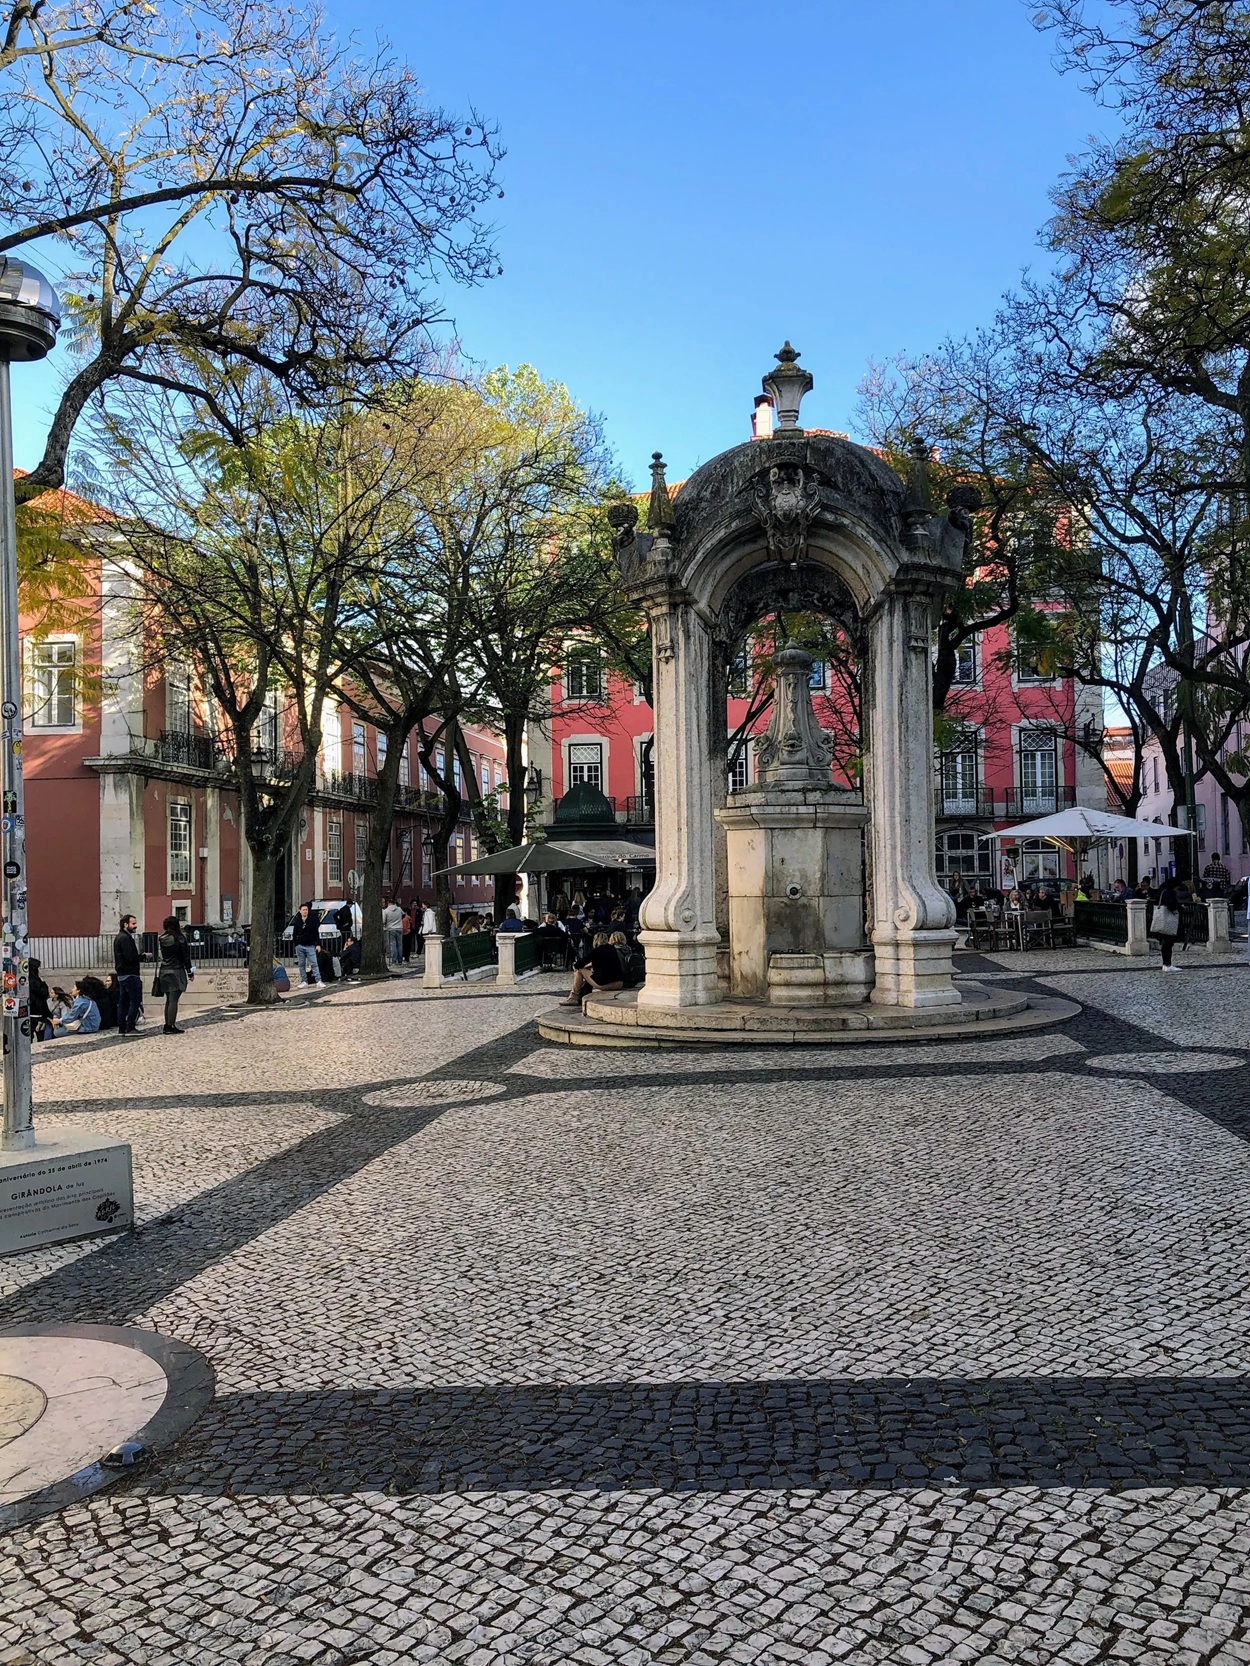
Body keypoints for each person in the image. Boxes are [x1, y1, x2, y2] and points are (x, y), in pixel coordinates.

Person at [559, 930, 624, 1007]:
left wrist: (582, 968)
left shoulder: (596, 952)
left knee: (579, 971)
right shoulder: (612, 949)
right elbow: (604, 962)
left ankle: (574, 997)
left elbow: (578, 965)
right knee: (589, 971)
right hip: (619, 983)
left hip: (606, 984)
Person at [157, 914, 195, 1032]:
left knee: (169, 999)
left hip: (164, 970)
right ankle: (170, 1025)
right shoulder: (180, 938)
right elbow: (185, 957)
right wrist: (190, 972)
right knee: (174, 1000)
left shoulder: (162, 938)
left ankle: (167, 1024)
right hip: (176, 970)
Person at [113, 912, 147, 1036]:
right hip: (130, 974)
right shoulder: (125, 938)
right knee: (135, 1001)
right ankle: (130, 1027)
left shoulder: (120, 937)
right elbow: (130, 957)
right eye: (133, 924)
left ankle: (122, 1028)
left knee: (123, 1002)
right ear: (125, 924)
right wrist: (143, 956)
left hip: (122, 975)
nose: (135, 926)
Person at [1150, 878, 1183, 971]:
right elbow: (1171, 905)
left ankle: (1166, 964)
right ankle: (1167, 964)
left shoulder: (1161, 891)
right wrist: (1180, 908)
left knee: (1166, 943)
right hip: (1167, 921)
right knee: (1168, 943)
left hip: (1161, 921)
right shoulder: (1167, 893)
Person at [288, 902, 323, 987]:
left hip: (310, 945)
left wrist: (318, 944)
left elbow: (316, 933)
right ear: (300, 911)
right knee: (301, 964)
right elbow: (294, 933)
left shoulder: (312, 921)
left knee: (314, 963)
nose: (305, 911)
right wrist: (296, 943)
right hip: (300, 945)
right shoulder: (297, 921)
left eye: (306, 910)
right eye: (303, 910)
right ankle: (304, 981)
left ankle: (318, 980)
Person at [28, 958, 54, 1041]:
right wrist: (43, 983)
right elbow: (43, 993)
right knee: (40, 1035)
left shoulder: (26, 979)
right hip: (37, 1011)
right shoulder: (34, 980)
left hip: (31, 1011)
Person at [382, 897, 404, 965]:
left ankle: (394, 960)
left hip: (390, 929)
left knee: (392, 945)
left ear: (388, 903)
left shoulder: (386, 911)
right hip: (399, 928)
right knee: (399, 945)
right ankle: (400, 960)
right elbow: (403, 915)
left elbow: (383, 921)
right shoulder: (399, 909)